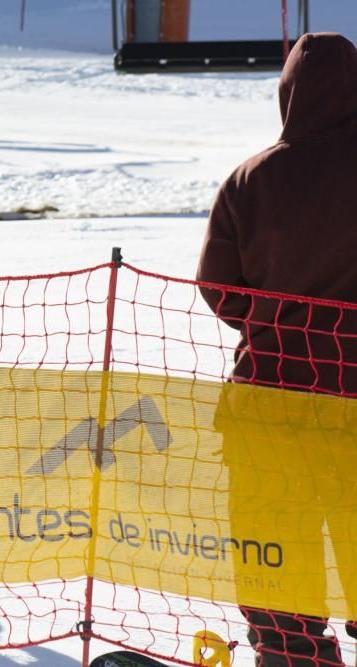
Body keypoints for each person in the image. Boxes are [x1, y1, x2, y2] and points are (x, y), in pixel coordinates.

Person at [197, 32, 357, 666]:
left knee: (275, 547)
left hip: (269, 399)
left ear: (286, 93)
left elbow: (217, 288)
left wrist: (269, 322)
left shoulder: (251, 179)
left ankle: (294, 657)